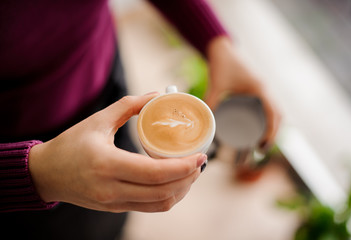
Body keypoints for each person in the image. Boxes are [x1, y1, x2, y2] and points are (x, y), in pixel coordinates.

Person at [0, 0, 280, 239]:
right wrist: (35, 173)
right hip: (20, 149)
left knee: (111, 217)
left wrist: (217, 43)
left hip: (104, 80)